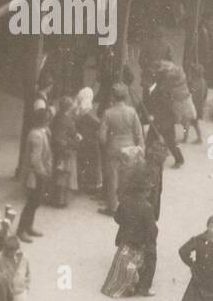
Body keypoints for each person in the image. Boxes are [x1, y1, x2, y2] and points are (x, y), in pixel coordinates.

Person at [100, 83, 145, 215]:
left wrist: (106, 144)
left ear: (113, 96)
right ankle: (127, 207)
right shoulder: (132, 112)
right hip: (129, 148)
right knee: (127, 177)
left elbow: (102, 137)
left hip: (113, 148)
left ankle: (112, 207)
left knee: (113, 178)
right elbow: (139, 132)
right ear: (125, 97)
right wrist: (141, 148)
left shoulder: (108, 113)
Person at [108, 181, 158, 298]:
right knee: (152, 256)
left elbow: (117, 218)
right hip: (138, 242)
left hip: (124, 238)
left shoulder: (125, 201)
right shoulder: (147, 207)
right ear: (145, 191)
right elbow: (152, 230)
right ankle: (144, 287)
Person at [18, 108, 52, 242]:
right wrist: (44, 173)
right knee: (32, 202)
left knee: (35, 202)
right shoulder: (37, 135)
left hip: (37, 173)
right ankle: (21, 230)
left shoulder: (39, 133)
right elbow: (35, 160)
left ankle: (28, 226)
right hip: (35, 175)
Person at [145, 70, 184, 168]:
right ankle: (179, 159)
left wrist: (155, 115)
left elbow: (165, 106)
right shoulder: (160, 88)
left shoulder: (161, 90)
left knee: (166, 141)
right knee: (167, 141)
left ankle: (179, 160)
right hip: (164, 120)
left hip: (163, 121)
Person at [49, 95, 80, 206]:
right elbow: (70, 133)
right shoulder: (67, 119)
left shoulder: (57, 117)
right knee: (64, 175)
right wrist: (74, 140)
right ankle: (61, 200)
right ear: (68, 107)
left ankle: (55, 198)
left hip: (57, 148)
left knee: (57, 173)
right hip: (65, 149)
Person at [74, 88, 102, 194]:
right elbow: (97, 124)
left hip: (81, 140)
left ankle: (81, 182)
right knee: (94, 160)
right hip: (89, 142)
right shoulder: (88, 113)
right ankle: (93, 183)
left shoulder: (78, 109)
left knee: (81, 162)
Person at [183, 62, 207, 144]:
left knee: (186, 122)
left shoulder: (193, 83)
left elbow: (189, 93)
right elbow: (205, 94)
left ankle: (185, 138)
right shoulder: (203, 82)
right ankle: (199, 138)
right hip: (198, 106)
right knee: (195, 123)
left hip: (192, 106)